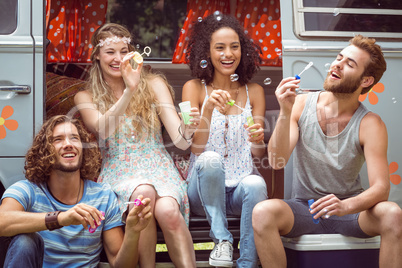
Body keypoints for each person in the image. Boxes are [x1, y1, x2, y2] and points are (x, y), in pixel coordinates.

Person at [252, 35, 402, 268]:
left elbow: (382, 188)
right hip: (305, 208)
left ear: (366, 80)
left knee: (392, 213)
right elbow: (277, 161)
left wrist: (345, 206)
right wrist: (285, 111)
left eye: (349, 64)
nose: (337, 64)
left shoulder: (370, 124)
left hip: (350, 213)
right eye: (338, 57)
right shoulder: (301, 104)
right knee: (263, 212)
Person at [74, 23, 199, 267]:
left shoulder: (153, 84)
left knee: (168, 211)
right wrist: (130, 90)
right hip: (120, 171)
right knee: (144, 194)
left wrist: (189, 129)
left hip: (159, 168)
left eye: (124, 51)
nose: (118, 59)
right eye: (110, 52)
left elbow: (180, 142)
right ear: (97, 55)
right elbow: (103, 128)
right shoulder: (85, 96)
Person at [0, 115, 152, 267]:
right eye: (58, 139)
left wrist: (132, 232)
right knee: (24, 242)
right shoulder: (28, 190)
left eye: (74, 138)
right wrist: (61, 218)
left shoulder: (103, 196)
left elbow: (122, 265)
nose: (68, 144)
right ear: (45, 151)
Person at [182, 14, 268, 267]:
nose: (228, 54)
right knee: (209, 159)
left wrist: (258, 139)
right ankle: (222, 241)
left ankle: (248, 262)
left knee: (255, 182)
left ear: (243, 50)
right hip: (202, 193)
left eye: (234, 46)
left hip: (239, 191)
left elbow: (259, 155)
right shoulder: (192, 88)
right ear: (207, 52)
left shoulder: (255, 92)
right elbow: (195, 147)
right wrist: (207, 109)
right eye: (219, 47)